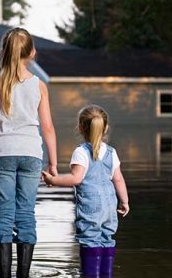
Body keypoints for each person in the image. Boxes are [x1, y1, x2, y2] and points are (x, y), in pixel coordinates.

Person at [0, 27, 57, 278]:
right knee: (25, 213)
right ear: (32, 53)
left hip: (1, 151)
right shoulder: (40, 85)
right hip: (31, 153)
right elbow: (47, 127)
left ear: (3, 52)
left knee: (4, 213)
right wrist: (53, 163)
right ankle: (24, 275)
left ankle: (4, 276)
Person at [42, 105, 129, 278]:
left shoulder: (81, 152)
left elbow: (76, 178)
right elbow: (118, 179)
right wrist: (125, 201)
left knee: (90, 239)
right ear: (105, 128)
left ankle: (90, 274)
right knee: (107, 238)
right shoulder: (111, 152)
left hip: (91, 206)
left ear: (81, 127)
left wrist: (53, 180)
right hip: (110, 206)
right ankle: (106, 274)